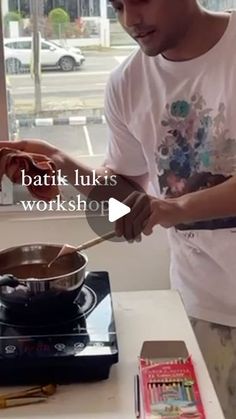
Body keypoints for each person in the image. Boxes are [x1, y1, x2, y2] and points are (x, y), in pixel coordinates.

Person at [1, 1, 236, 417]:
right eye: (117, 6)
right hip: (199, 306)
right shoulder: (128, 82)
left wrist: (173, 208)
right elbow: (125, 208)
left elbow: (162, 209)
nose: (130, 20)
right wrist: (60, 162)